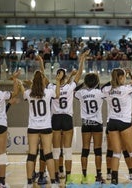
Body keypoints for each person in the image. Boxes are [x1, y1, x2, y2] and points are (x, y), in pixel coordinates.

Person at [101, 68, 132, 187]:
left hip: (112, 123)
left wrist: (114, 80)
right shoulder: (126, 89)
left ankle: (114, 180)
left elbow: (103, 87)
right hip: (124, 122)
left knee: (116, 153)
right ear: (121, 77)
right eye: (124, 77)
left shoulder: (107, 89)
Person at [20, 55, 62, 188]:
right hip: (46, 127)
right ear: (43, 80)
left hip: (33, 127)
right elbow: (58, 94)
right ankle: (54, 182)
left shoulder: (29, 93)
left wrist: (20, 84)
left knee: (32, 155)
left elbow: (23, 92)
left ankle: (28, 182)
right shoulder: (48, 92)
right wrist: (58, 81)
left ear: (33, 81)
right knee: (48, 154)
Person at [49, 49, 88, 185]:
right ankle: (69, 177)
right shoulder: (71, 86)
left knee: (56, 149)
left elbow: (42, 77)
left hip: (55, 119)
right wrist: (82, 59)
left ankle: (56, 174)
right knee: (67, 150)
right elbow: (79, 73)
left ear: (57, 76)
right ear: (65, 77)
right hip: (66, 118)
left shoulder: (51, 86)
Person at [74, 73, 105, 184]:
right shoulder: (100, 92)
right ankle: (98, 176)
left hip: (86, 123)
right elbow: (106, 91)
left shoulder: (81, 93)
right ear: (97, 82)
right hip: (97, 123)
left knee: (85, 150)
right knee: (97, 150)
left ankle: (84, 176)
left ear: (86, 82)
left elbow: (73, 91)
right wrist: (97, 85)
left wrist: (83, 84)